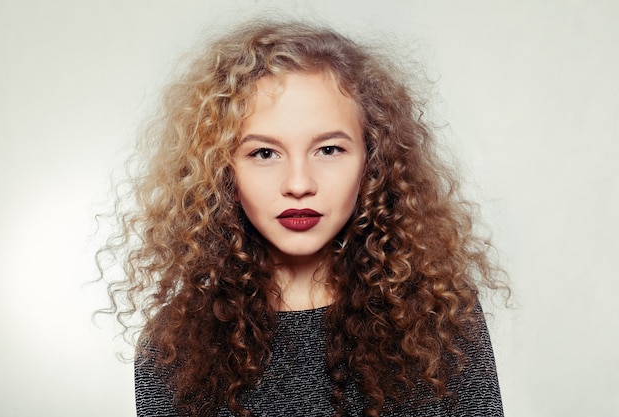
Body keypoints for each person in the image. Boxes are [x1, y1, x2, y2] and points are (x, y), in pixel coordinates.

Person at [101, 19, 508, 417]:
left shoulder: (439, 316)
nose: (298, 184)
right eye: (264, 153)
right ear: (223, 171)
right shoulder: (172, 346)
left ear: (374, 161)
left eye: (329, 150)